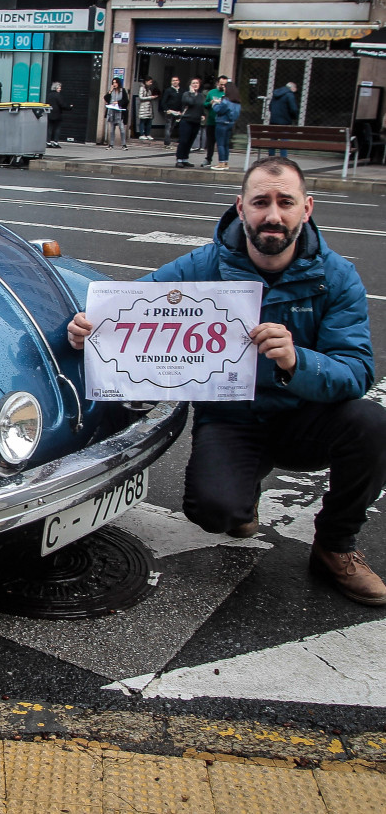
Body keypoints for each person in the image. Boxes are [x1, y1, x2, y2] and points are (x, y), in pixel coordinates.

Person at [66, 158, 386, 607]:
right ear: (240, 208)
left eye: (285, 202)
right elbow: (128, 306)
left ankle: (335, 546)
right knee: (216, 512)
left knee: (372, 423)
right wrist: (87, 325)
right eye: (260, 202)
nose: (272, 215)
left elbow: (355, 371)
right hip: (234, 419)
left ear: (306, 209)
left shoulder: (336, 277)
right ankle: (243, 494)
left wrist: (298, 362)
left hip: (305, 416)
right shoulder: (204, 264)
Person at [174, 77, 204, 167]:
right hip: (186, 120)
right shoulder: (186, 94)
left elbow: (201, 106)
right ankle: (179, 159)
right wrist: (191, 93)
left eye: (197, 83)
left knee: (190, 141)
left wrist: (202, 115)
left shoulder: (201, 96)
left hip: (196, 121)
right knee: (184, 140)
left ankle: (185, 158)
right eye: (193, 83)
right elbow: (190, 103)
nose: (195, 85)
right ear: (190, 85)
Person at [211, 82, 241, 171]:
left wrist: (214, 104)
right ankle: (226, 162)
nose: (223, 88)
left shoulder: (226, 101)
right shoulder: (237, 102)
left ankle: (221, 163)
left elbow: (219, 110)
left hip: (222, 123)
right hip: (230, 123)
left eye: (224, 87)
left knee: (220, 144)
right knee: (226, 144)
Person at [201, 75, 228, 168]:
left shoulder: (228, 94)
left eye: (225, 84)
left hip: (223, 122)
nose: (223, 86)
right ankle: (208, 158)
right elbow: (205, 104)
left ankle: (223, 161)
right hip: (212, 121)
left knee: (222, 143)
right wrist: (210, 102)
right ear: (217, 83)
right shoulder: (212, 92)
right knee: (210, 141)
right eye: (221, 84)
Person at [268, 82, 299, 157]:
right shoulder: (289, 95)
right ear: (292, 88)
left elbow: (270, 106)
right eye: (295, 88)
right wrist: (294, 117)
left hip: (273, 121)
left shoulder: (276, 94)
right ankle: (283, 158)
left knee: (273, 141)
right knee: (284, 141)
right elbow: (293, 109)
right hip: (285, 121)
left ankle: (271, 157)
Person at [103, 77, 130, 150]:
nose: (114, 84)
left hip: (119, 112)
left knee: (122, 129)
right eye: (113, 83)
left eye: (115, 82)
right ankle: (111, 144)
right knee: (112, 129)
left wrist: (118, 102)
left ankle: (124, 144)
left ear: (118, 83)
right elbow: (106, 98)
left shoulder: (122, 90)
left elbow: (126, 100)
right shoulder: (111, 91)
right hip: (111, 111)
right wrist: (110, 91)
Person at [46, 81, 71, 147]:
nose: (60, 89)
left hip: (50, 113)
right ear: (56, 88)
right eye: (59, 88)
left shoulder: (49, 95)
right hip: (57, 114)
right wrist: (69, 107)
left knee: (50, 128)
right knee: (57, 128)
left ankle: (48, 142)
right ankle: (55, 142)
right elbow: (62, 104)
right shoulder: (58, 95)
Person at [160, 76, 183, 147]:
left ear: (179, 81)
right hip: (169, 111)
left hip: (178, 112)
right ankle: (167, 143)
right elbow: (163, 101)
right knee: (168, 126)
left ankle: (174, 140)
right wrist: (167, 110)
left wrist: (181, 111)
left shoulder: (181, 91)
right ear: (171, 82)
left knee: (173, 126)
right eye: (173, 80)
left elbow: (182, 101)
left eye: (176, 80)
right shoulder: (168, 90)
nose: (175, 82)